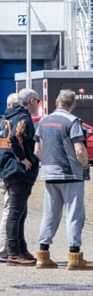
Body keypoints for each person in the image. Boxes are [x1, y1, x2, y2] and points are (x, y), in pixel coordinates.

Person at [34, 89, 93, 270]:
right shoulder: (73, 121)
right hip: (70, 174)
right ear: (73, 105)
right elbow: (79, 150)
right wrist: (84, 166)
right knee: (74, 214)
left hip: (49, 172)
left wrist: (48, 163)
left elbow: (37, 151)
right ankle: (75, 256)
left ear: (56, 102)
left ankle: (43, 254)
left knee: (49, 214)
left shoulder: (43, 121)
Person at [0, 88, 41, 266]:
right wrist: (23, 158)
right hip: (17, 171)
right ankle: (13, 253)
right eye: (38, 101)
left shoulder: (6, 118)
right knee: (15, 213)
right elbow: (16, 138)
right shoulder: (23, 118)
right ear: (31, 101)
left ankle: (21, 248)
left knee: (20, 212)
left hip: (7, 168)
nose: (38, 105)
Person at [0, 92, 18, 263]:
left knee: (9, 209)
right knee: (9, 209)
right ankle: (3, 249)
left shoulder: (2, 122)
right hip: (10, 170)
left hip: (4, 170)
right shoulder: (10, 122)